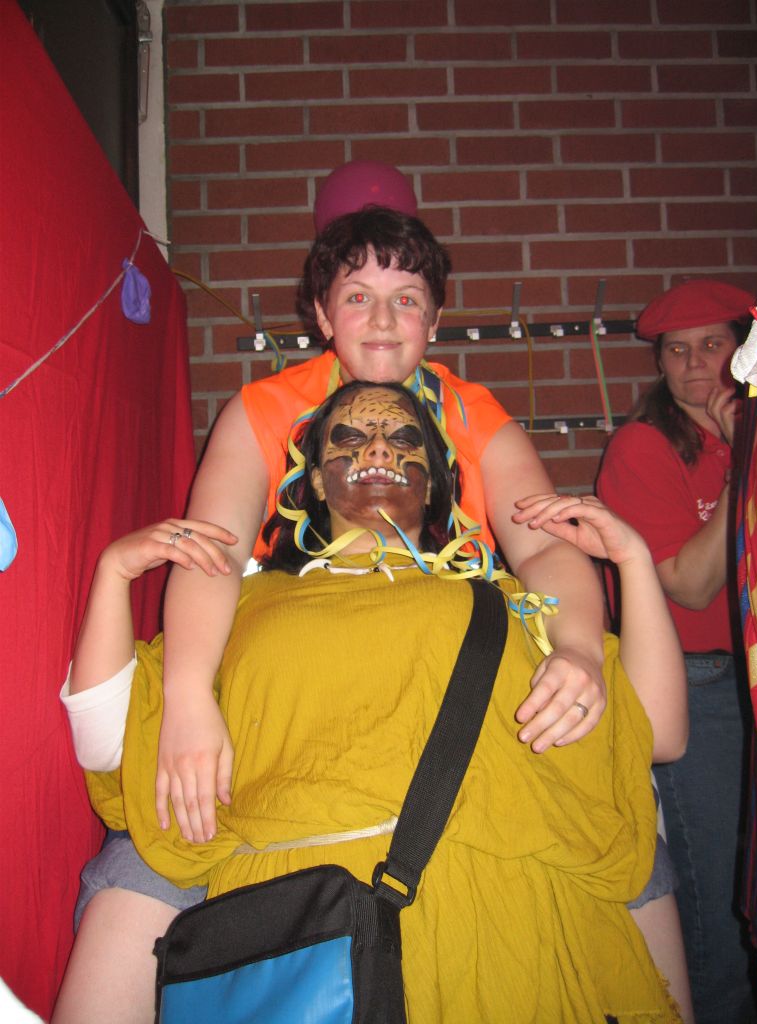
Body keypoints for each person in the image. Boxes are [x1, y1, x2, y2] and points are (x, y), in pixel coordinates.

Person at [56, 382, 683, 1023]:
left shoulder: (507, 603)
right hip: (305, 942)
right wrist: (113, 572)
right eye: (350, 438)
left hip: (503, 933)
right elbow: (107, 743)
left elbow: (657, 734)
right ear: (314, 481)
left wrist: (633, 562)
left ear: (436, 485)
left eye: (405, 438)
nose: (378, 448)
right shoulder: (239, 609)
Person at [156, 203, 610, 849]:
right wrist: (188, 697)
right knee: (141, 869)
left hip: (438, 676)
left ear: (434, 320)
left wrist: (580, 651)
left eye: (406, 300)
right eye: (357, 297)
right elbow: (213, 553)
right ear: (321, 315)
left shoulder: (475, 416)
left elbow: (543, 548)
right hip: (298, 678)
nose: (381, 319)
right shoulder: (263, 411)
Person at [596, 278, 757, 1024]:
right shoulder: (643, 447)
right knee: (717, 899)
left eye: (712, 346)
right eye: (676, 351)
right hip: (700, 688)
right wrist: (743, 468)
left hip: (756, 677)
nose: (694, 365)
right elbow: (690, 586)